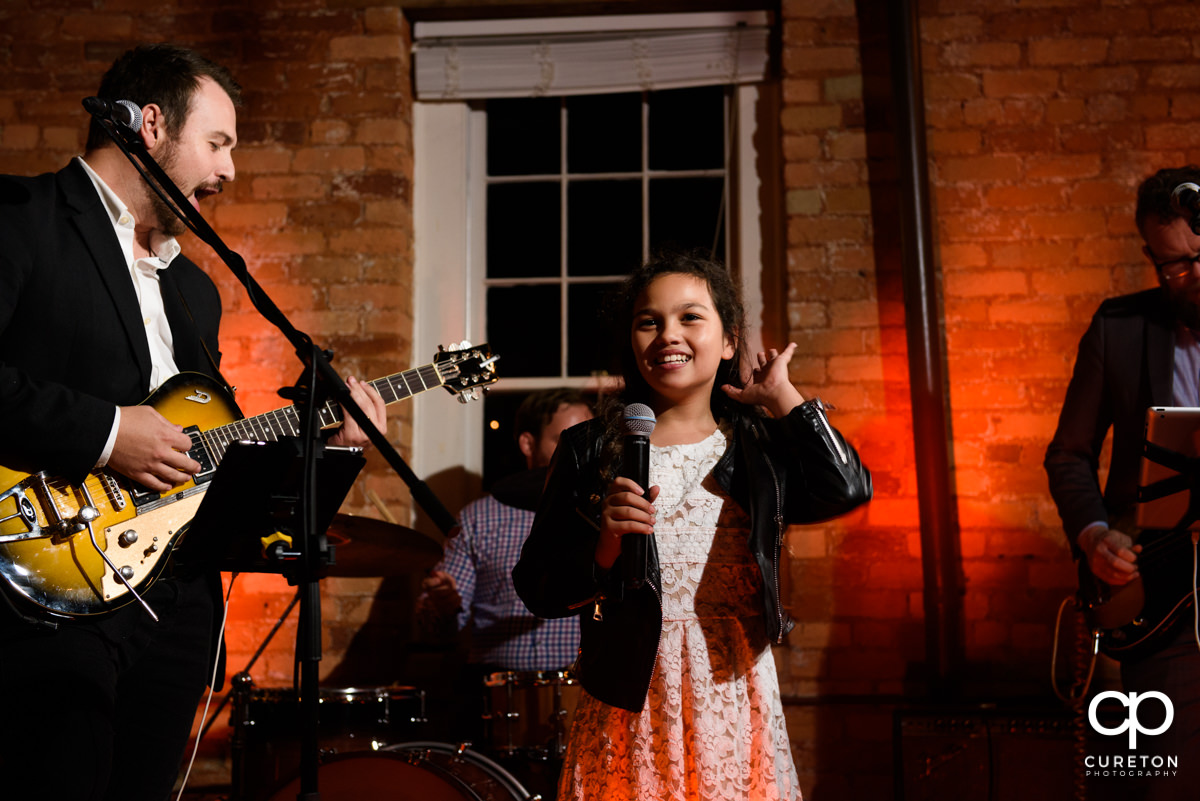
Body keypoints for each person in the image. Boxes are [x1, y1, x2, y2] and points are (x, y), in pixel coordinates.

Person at [0, 44, 385, 801]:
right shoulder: (22, 218)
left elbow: (202, 454)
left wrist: (325, 449)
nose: (231, 168)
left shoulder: (195, 290)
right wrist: (110, 432)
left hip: (175, 605)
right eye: (219, 142)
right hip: (42, 594)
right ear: (150, 126)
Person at [512, 252, 872, 800]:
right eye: (648, 321)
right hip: (629, 693)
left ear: (729, 341)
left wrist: (783, 398)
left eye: (690, 317)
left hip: (732, 690)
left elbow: (847, 487)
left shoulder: (757, 445)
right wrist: (602, 551)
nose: (667, 335)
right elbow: (538, 586)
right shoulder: (588, 448)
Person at [1045, 165, 1200, 800]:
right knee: (1154, 782)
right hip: (1159, 603)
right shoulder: (1119, 328)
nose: (1192, 276)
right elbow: (1068, 456)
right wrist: (1094, 535)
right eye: (1173, 266)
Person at [417, 389, 591, 769]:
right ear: (528, 443)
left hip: (586, 692)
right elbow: (437, 630)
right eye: (566, 438)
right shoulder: (479, 518)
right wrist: (444, 605)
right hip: (491, 696)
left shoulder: (598, 512)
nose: (581, 448)